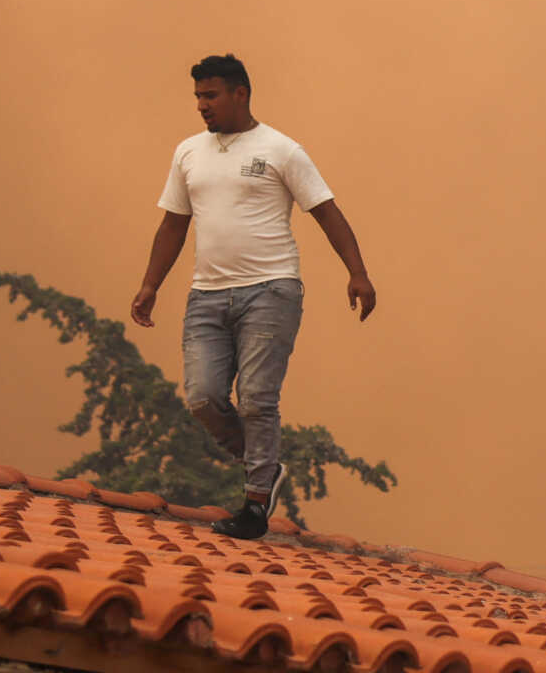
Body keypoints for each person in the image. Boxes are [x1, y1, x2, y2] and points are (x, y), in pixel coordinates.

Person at [130, 54, 377, 539]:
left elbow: (326, 212)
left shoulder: (282, 150)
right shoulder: (188, 153)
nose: (202, 105)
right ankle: (263, 462)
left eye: (211, 95)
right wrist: (150, 285)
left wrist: (358, 273)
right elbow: (173, 223)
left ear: (241, 93)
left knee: (258, 400)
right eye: (198, 96)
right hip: (206, 294)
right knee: (202, 397)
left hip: (271, 289)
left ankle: (255, 503)